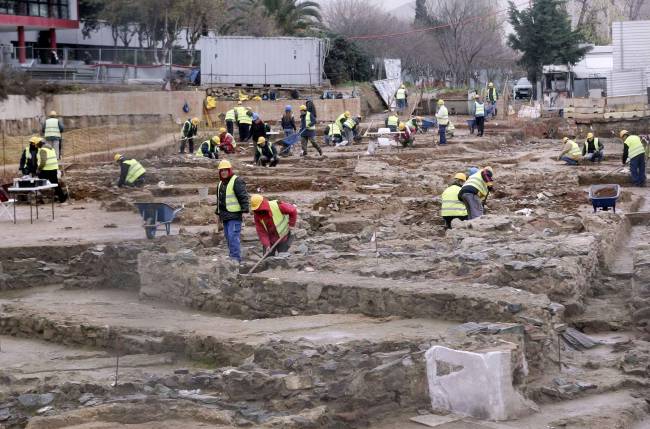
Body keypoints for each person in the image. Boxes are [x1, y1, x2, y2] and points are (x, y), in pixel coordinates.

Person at [215, 160, 250, 262]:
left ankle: (235, 258)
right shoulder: (220, 183)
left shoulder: (236, 181)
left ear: (229, 170)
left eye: (225, 170)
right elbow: (219, 201)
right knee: (228, 237)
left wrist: (244, 211)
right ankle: (232, 256)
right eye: (221, 170)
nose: (223, 172)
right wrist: (217, 214)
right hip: (225, 216)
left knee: (233, 236)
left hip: (235, 215)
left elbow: (243, 197)